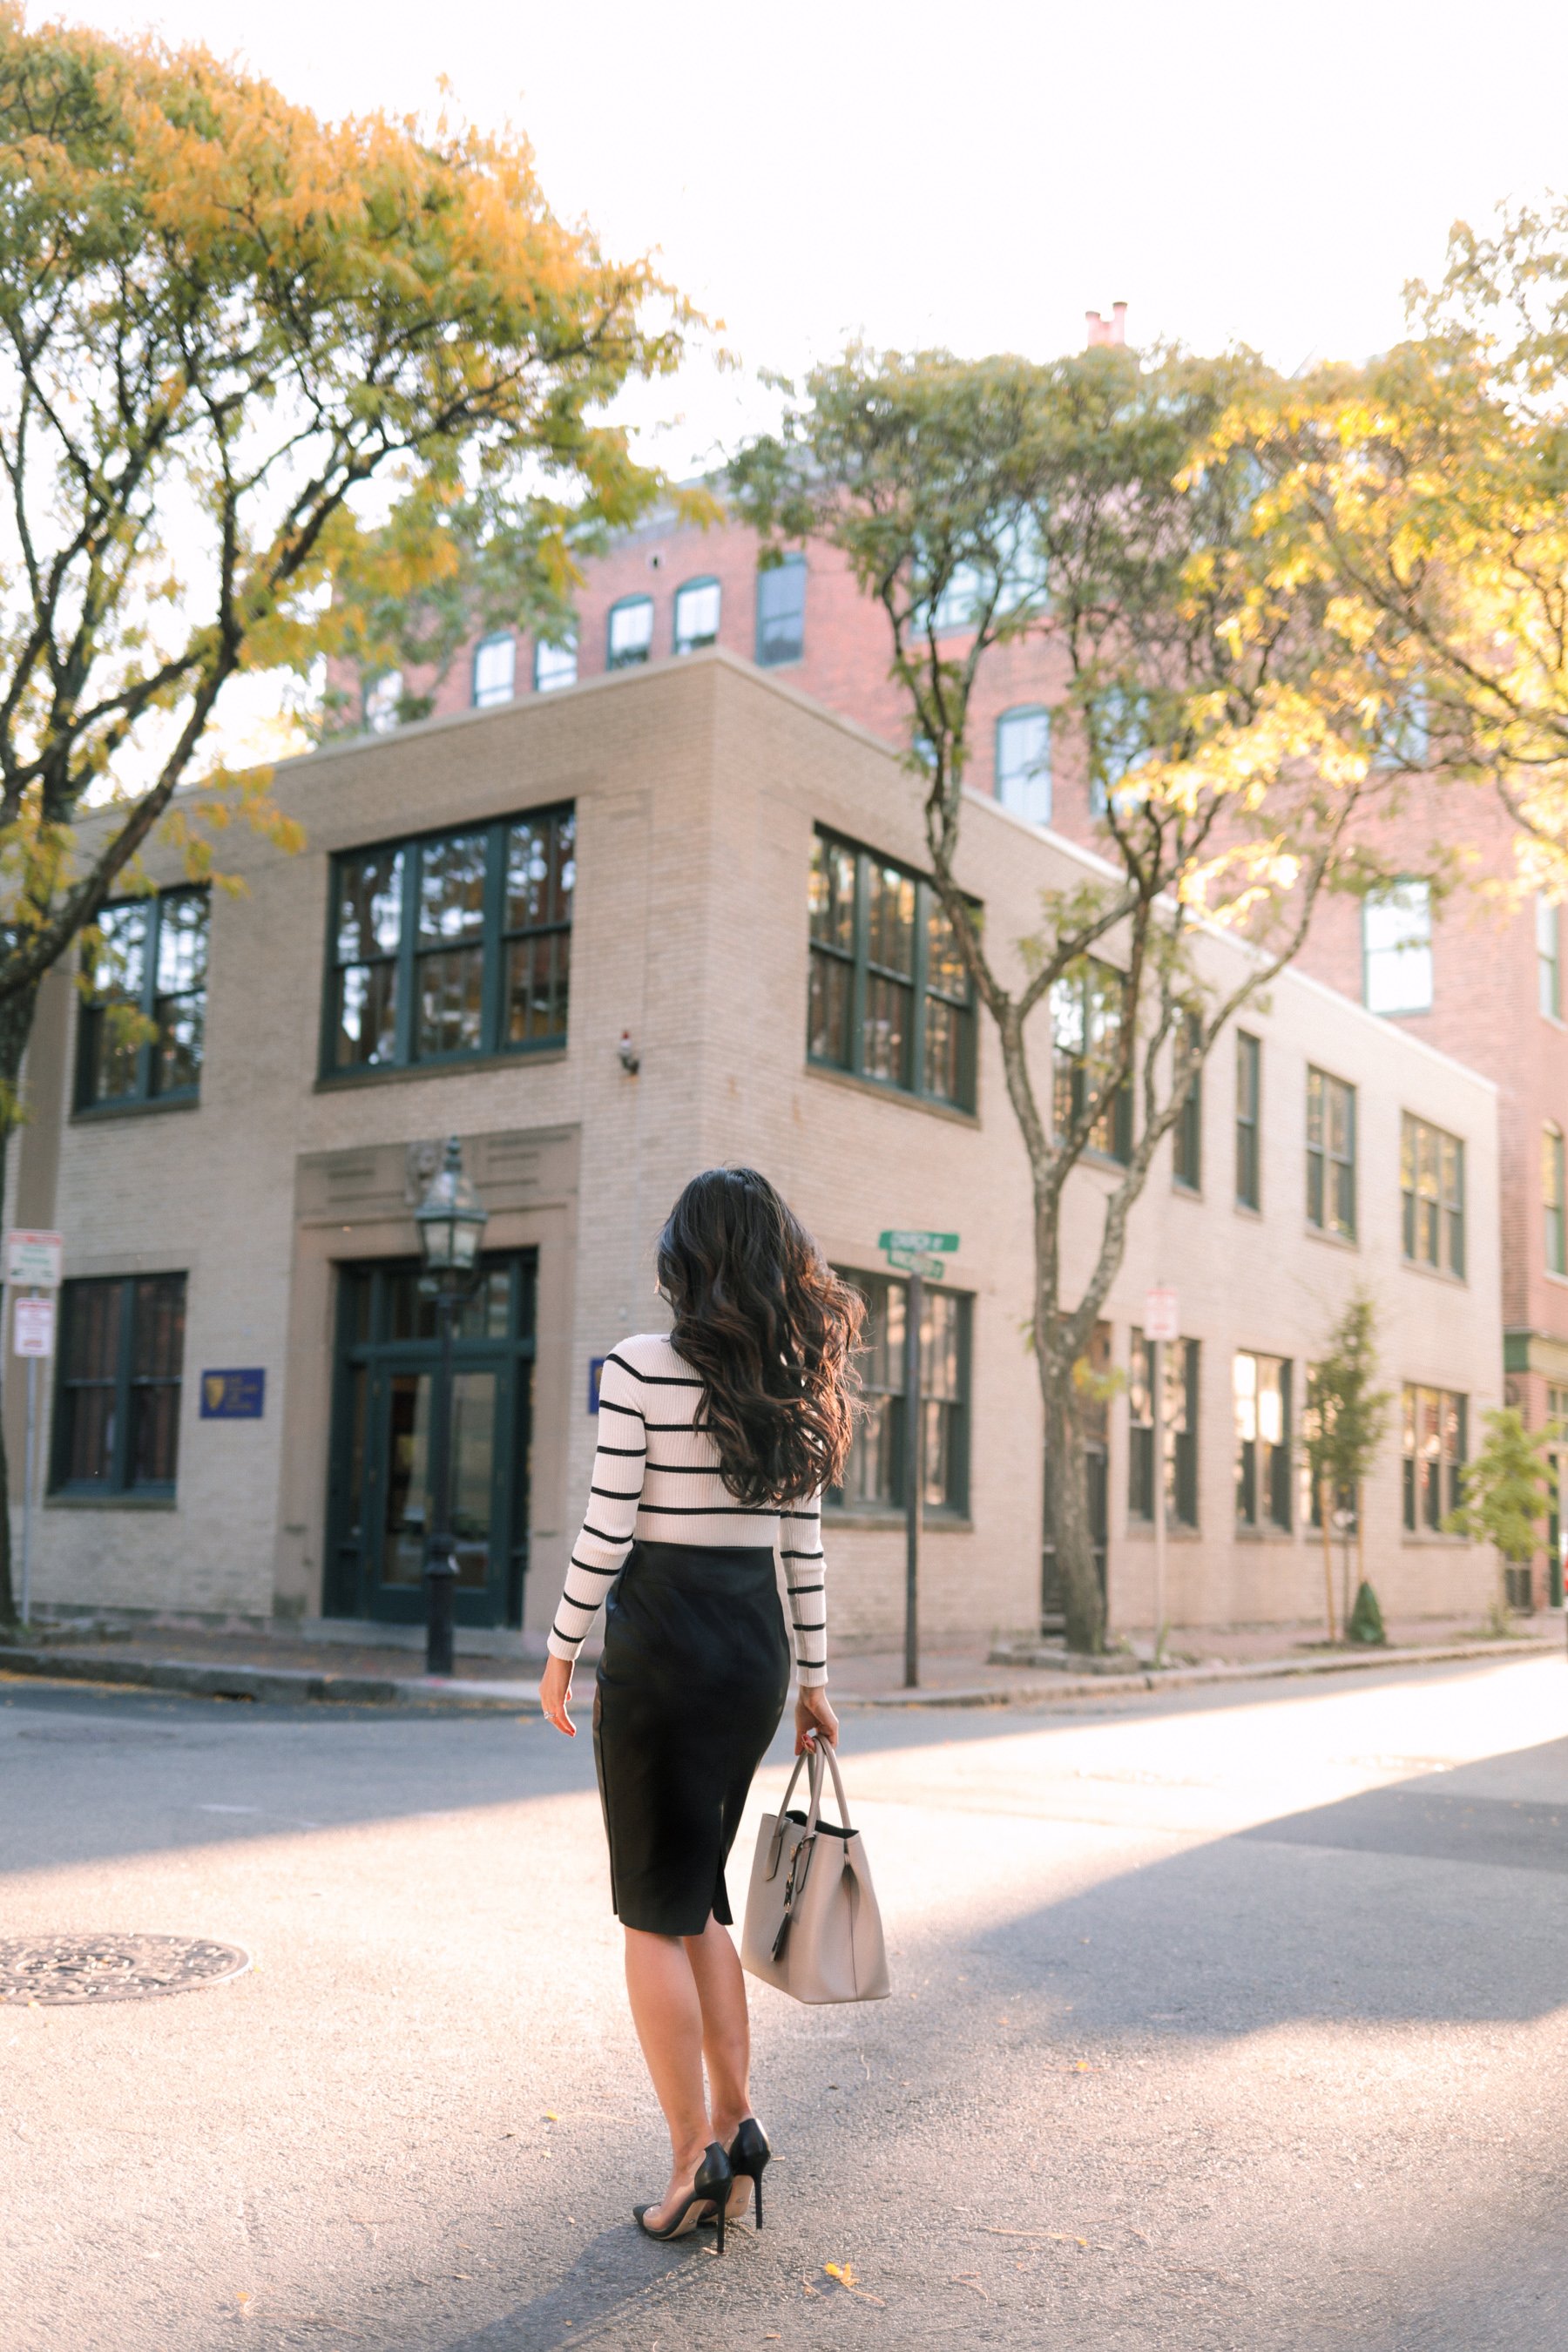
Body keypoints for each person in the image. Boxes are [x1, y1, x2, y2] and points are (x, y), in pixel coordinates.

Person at [538, 1166, 862, 2249]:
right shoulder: (793, 1384)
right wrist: (815, 1683)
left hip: (663, 1648)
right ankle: (736, 2124)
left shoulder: (639, 1368)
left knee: (651, 1913)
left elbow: (607, 1526)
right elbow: (801, 1554)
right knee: (701, 1902)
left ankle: (690, 2164)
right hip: (753, 1657)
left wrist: (561, 1649)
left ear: (688, 1260)